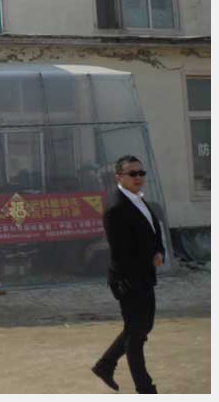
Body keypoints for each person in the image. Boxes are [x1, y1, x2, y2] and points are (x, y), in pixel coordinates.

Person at [92, 155, 165, 394]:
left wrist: (159, 251)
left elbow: (154, 231)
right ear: (119, 177)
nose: (138, 178)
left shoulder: (139, 200)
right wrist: (147, 259)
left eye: (141, 173)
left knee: (142, 327)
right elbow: (121, 251)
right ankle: (145, 389)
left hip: (144, 276)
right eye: (132, 174)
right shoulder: (116, 208)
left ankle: (105, 364)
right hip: (127, 279)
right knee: (136, 336)